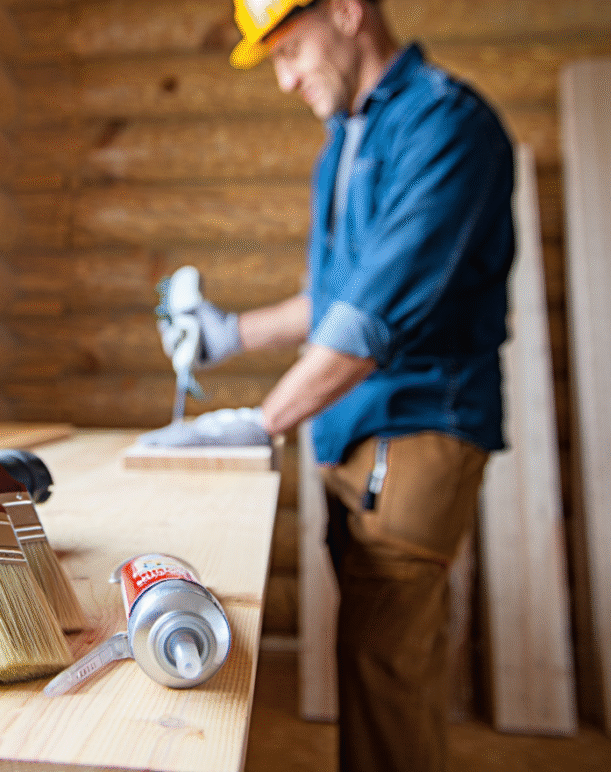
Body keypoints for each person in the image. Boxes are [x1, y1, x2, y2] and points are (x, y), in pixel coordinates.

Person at [158, 1, 516, 770]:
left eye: (290, 51)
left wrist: (264, 419)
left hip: (418, 426)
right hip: (354, 431)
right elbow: (335, 300)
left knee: (387, 668)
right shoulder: (346, 139)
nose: (285, 79)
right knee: (372, 654)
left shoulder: (446, 126)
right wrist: (230, 332)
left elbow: (372, 318)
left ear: (348, 12)